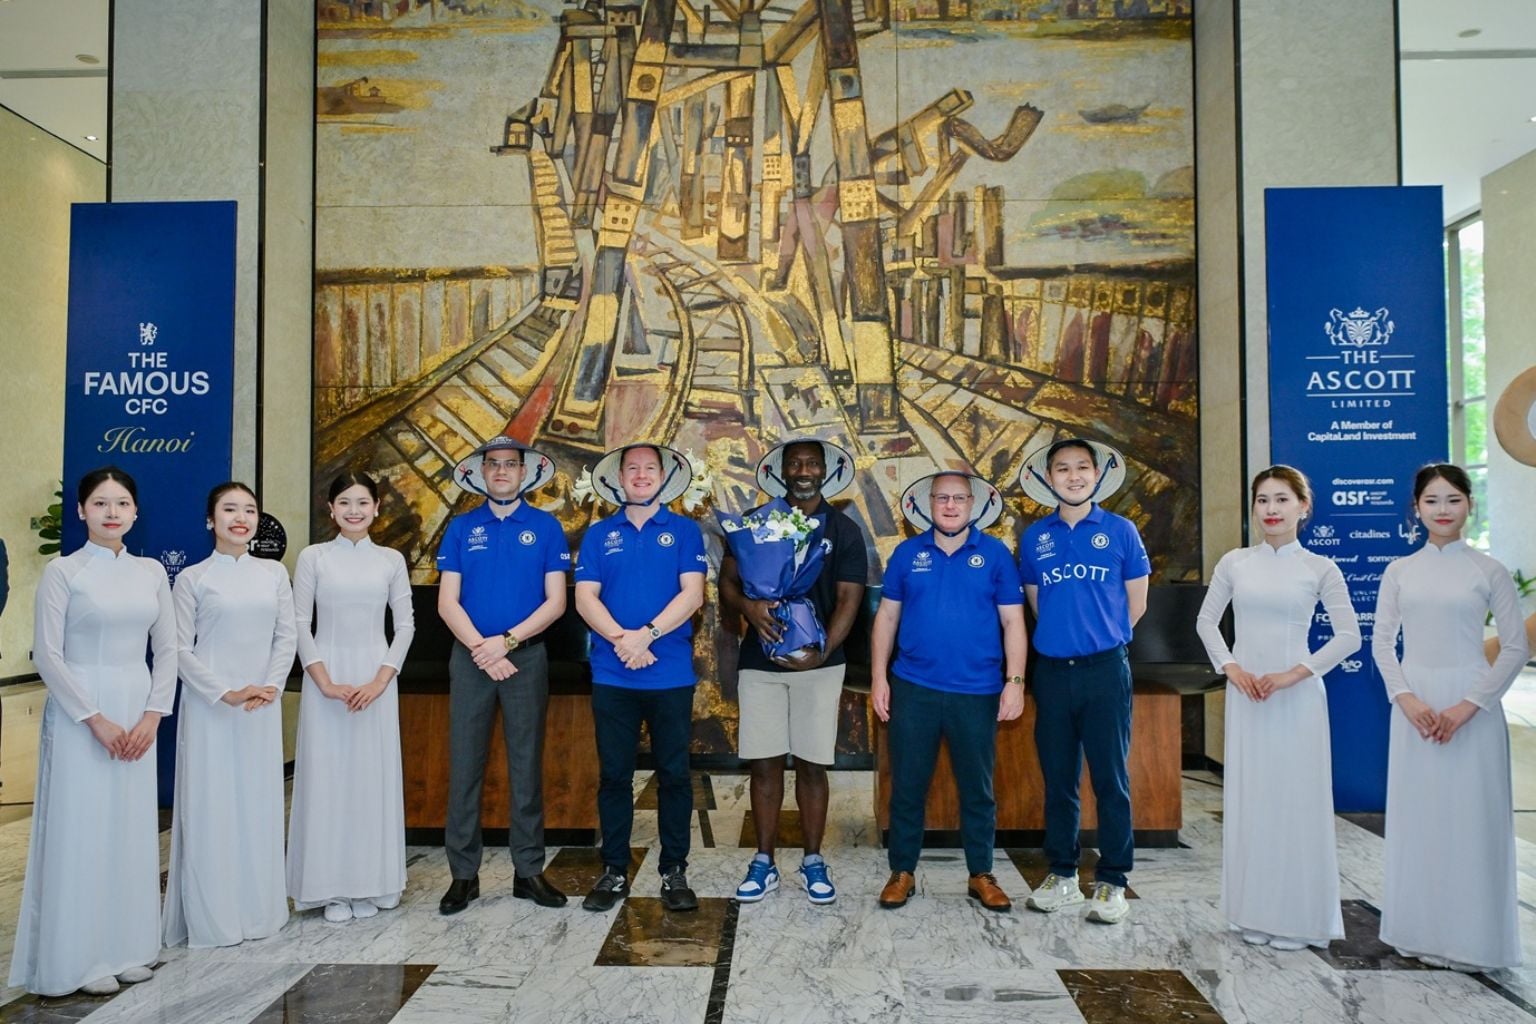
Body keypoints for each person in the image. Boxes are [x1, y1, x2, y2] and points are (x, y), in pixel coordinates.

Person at [9, 467, 173, 996]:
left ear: (135, 512)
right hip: (81, 712)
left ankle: (128, 948)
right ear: (81, 511)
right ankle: (79, 959)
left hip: (137, 710)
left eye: (121, 503)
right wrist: (94, 719)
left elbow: (167, 649)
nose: (111, 512)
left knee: (128, 829)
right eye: (100, 503)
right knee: (82, 830)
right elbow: (48, 654)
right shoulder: (64, 571)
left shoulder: (150, 572)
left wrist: (153, 715)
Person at [1195, 466, 1360, 950]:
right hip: (1247, 696)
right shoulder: (1236, 562)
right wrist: (1231, 667)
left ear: (1303, 507)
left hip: (1296, 698)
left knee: (1294, 801)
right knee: (1252, 799)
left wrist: (1294, 674)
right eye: (1263, 500)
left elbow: (1349, 636)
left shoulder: (1319, 568)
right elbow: (1206, 622)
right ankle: (1253, 912)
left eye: (1282, 499)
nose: (1271, 509)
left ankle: (1297, 918)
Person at [1374, 463, 1529, 971]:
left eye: (1453, 500)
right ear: (1416, 509)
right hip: (1414, 709)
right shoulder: (1400, 571)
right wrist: (1407, 699)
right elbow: (1382, 644)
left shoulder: (1489, 570)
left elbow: (1515, 646)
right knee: (1420, 818)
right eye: (1432, 500)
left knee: (1472, 820)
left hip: (1473, 706)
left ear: (1469, 505)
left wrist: (1469, 706)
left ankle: (1473, 941)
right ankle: (1418, 931)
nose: (1443, 510)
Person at [870, 470, 1026, 912]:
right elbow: (887, 618)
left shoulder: (995, 555)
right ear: (929, 504)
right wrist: (880, 678)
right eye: (942, 498)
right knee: (907, 785)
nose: (951, 506)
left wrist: (1015, 682)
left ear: (973, 505)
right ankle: (902, 871)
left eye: (959, 498)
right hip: (914, 687)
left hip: (977, 691)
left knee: (977, 789)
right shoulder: (907, 554)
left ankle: (981, 873)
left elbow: (1013, 622)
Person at [722, 438, 867, 906]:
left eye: (812, 464)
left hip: (819, 666)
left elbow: (849, 599)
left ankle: (812, 860)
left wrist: (821, 653)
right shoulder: (756, 523)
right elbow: (727, 581)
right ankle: (763, 861)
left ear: (825, 471)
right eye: (795, 464)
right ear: (780, 472)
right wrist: (749, 607)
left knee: (811, 764)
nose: (804, 471)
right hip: (760, 663)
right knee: (764, 764)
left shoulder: (843, 529)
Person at [435, 435, 569, 914]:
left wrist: (506, 642)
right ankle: (463, 876)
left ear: (524, 473)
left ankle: (528, 872)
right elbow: (446, 602)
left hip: (525, 660)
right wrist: (483, 648)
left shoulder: (547, 527)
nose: (501, 471)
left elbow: (556, 602)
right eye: (492, 464)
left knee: (526, 766)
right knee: (464, 767)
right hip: (471, 660)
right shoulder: (460, 528)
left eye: (510, 464)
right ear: (481, 473)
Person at [1016, 438, 1148, 925]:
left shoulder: (1121, 531)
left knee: (1111, 779)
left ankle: (1112, 879)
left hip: (1105, 670)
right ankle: (1063, 874)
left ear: (1097, 475)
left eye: (1082, 468)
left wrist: (1099, 638)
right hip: (1052, 673)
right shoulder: (1035, 536)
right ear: (1048, 478)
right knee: (1059, 781)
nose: (1073, 476)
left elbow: (1136, 604)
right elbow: (1036, 603)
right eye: (1062, 469)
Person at [162, 482, 297, 948]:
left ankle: (260, 913)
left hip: (261, 705)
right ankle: (215, 918)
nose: (241, 518)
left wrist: (270, 686)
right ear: (210, 519)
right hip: (211, 707)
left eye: (250, 510)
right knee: (212, 805)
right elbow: (179, 649)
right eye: (230, 509)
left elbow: (286, 636)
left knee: (258, 803)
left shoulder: (274, 575)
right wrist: (225, 693)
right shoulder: (192, 578)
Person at [574, 443, 708, 913]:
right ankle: (614, 870)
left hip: (669, 674)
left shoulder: (685, 531)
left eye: (650, 468)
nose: (641, 475)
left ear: (664, 477)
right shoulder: (599, 534)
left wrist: (646, 636)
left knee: (674, 775)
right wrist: (622, 641)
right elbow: (585, 598)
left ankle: (674, 870)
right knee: (614, 775)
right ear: (619, 478)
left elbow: (692, 596)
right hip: (614, 675)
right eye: (632, 468)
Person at [287, 471, 416, 923]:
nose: (354, 510)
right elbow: (298, 622)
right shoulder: (314, 557)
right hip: (326, 678)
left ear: (377, 508)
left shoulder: (390, 560)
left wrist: (380, 681)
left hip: (376, 679)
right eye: (345, 502)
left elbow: (405, 625)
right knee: (328, 779)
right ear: (331, 509)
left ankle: (371, 882)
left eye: (363, 502)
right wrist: (322, 680)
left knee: (370, 779)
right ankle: (331, 888)